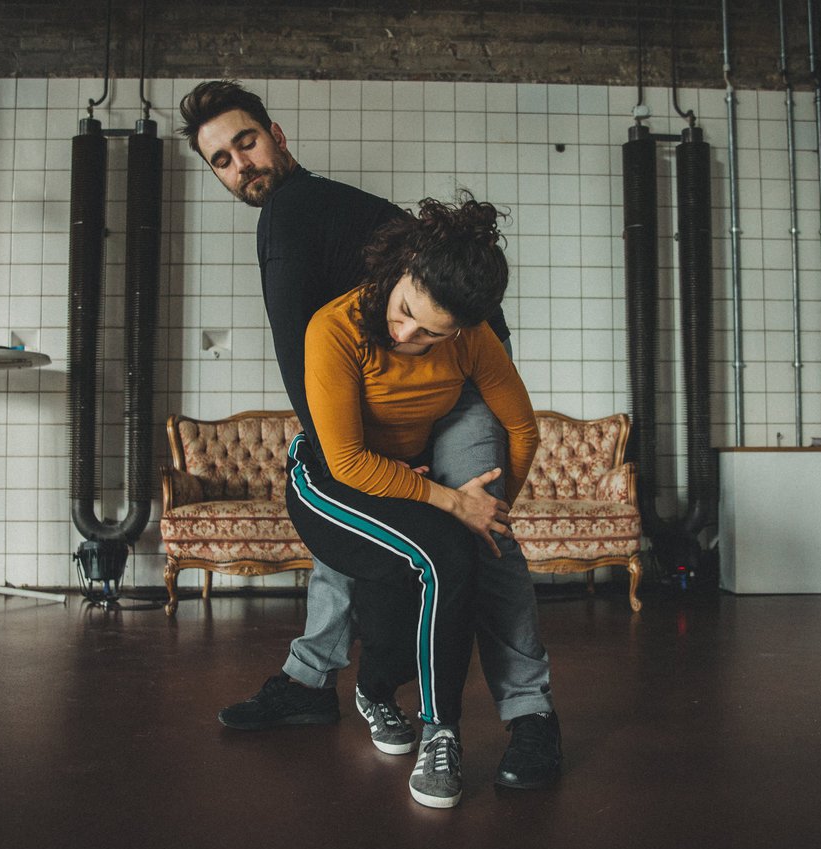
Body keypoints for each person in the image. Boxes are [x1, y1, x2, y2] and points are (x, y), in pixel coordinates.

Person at [178, 80, 562, 790]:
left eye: (247, 142)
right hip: (398, 390)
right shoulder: (322, 208)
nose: (242, 166)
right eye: (223, 161)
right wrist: (344, 453)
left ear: (278, 135)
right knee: (355, 516)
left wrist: (343, 455)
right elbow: (318, 352)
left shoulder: (289, 214)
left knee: (485, 530)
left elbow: (295, 350)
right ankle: (310, 676)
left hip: (464, 385)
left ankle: (530, 714)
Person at [288, 194, 538, 807]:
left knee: (448, 560)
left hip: (401, 479)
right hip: (325, 483)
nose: (407, 334)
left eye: (431, 332)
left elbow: (523, 430)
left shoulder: (470, 339)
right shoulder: (334, 327)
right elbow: (346, 462)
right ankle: (438, 727)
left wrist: (492, 509)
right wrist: (455, 502)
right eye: (404, 312)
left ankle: (390, 700)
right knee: (442, 555)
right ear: (398, 269)